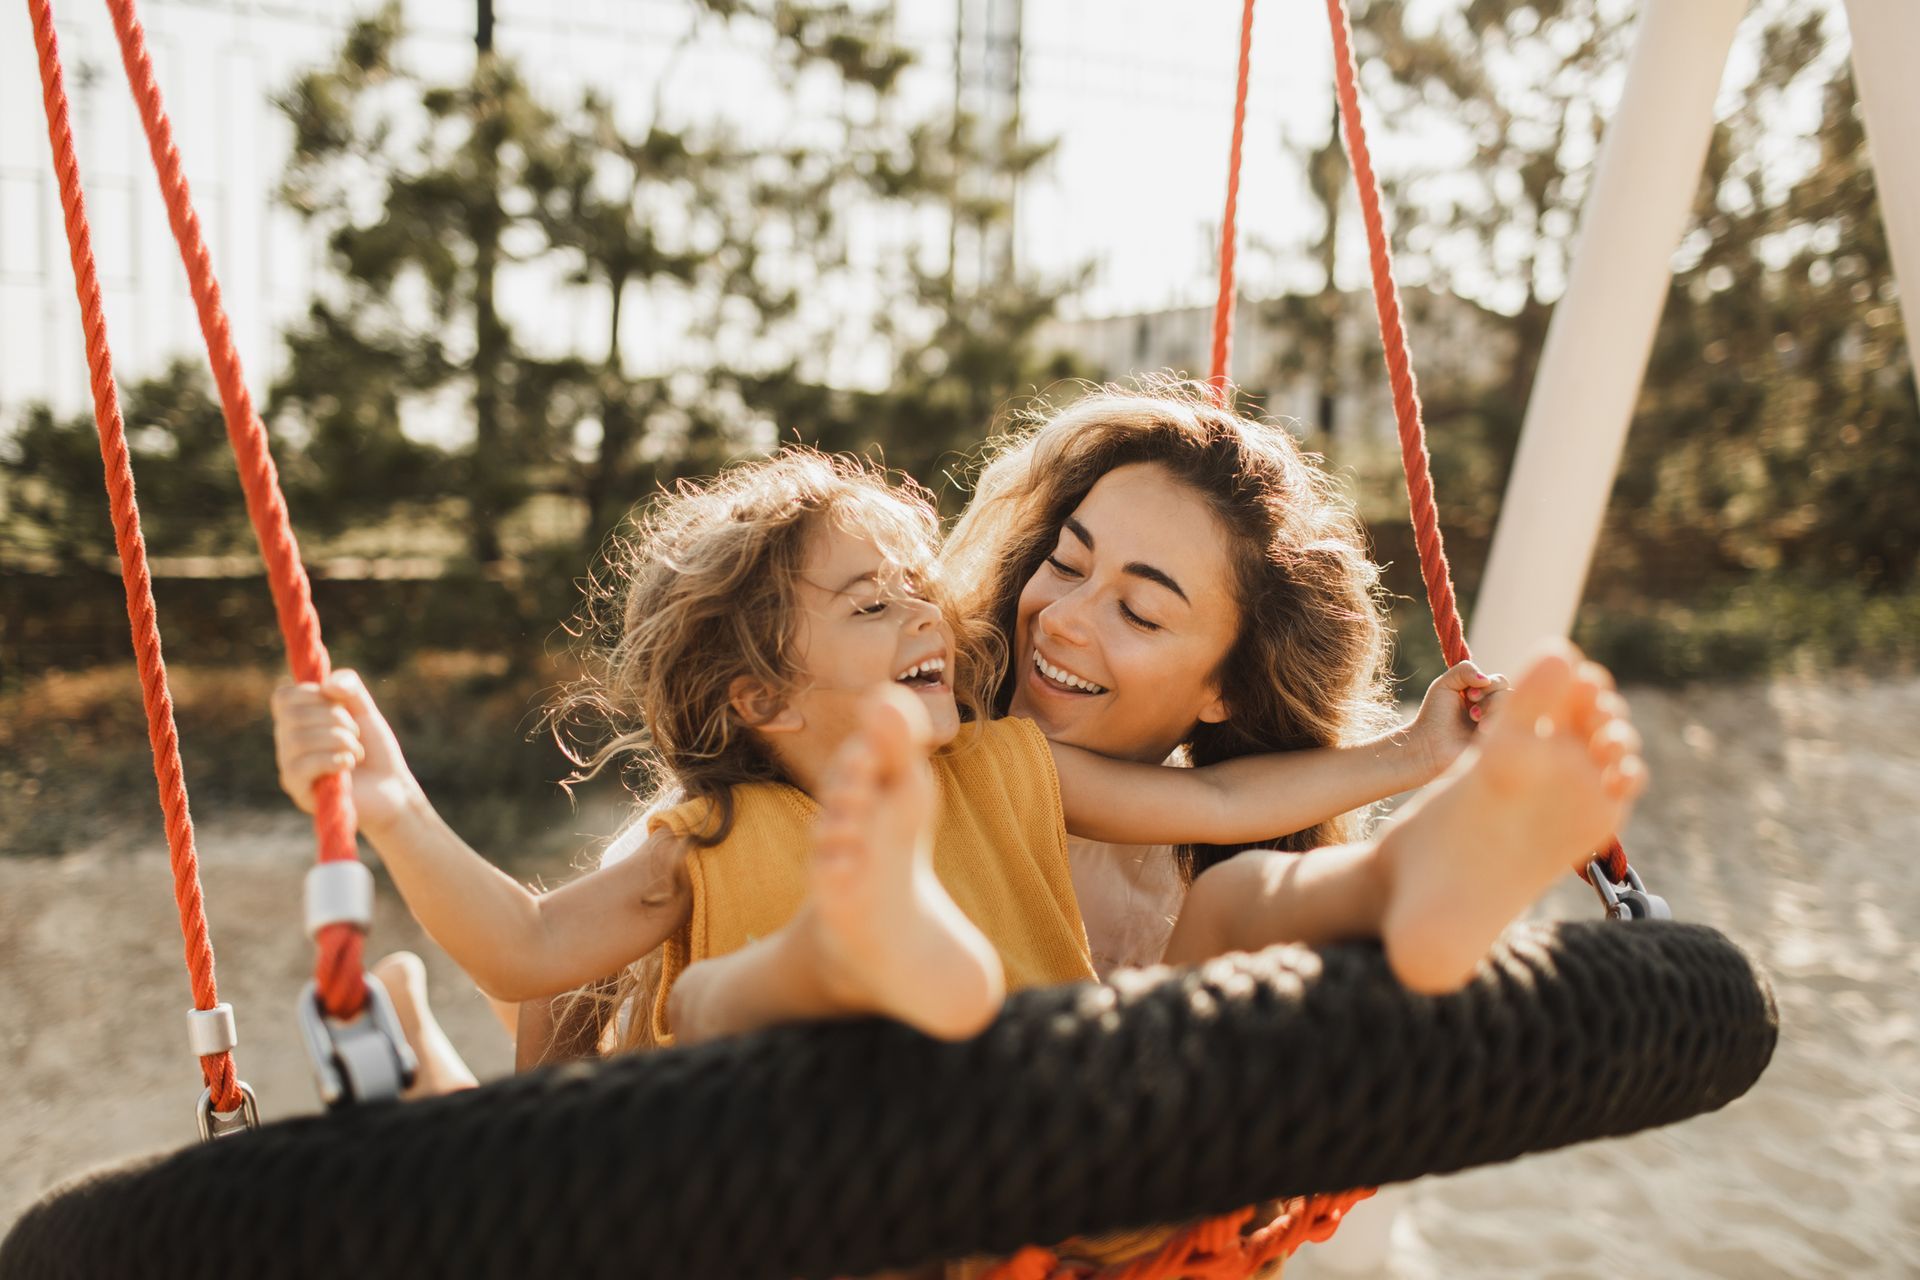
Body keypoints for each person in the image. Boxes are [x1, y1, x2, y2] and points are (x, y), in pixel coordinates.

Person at [273, 442, 1642, 1069]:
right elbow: (525, 958)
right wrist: (389, 807)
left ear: (1221, 676)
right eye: (874, 604)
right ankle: (860, 952)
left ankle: (1413, 885)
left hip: (1027, 1156)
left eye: (1144, 603)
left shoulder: (1004, 777)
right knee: (709, 1010)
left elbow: (1223, 802)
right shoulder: (704, 845)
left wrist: (1407, 762)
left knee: (1233, 900)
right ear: (758, 695)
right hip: (763, 1174)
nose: (947, 611)